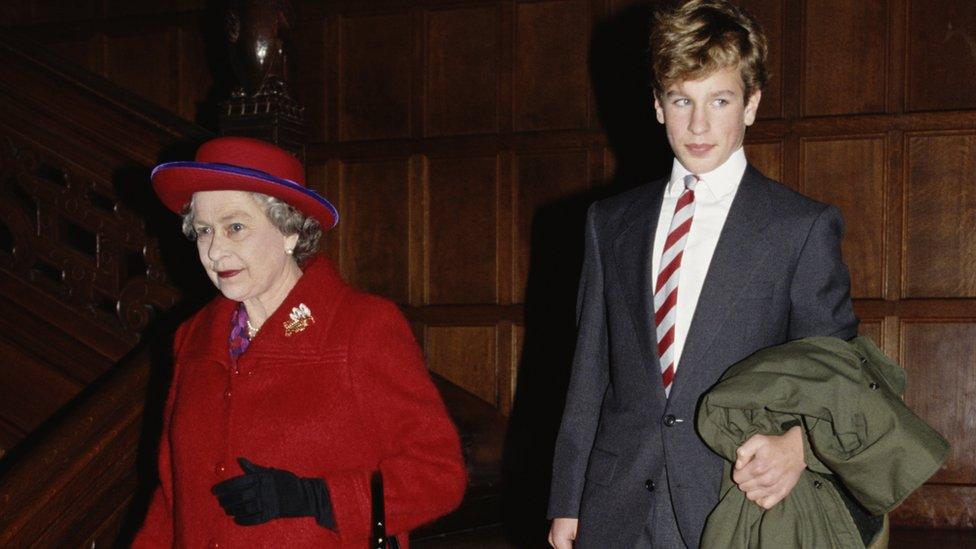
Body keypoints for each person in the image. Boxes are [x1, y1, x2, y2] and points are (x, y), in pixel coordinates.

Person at [546, 1, 858, 547]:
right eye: (681, 100)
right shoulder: (610, 223)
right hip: (616, 502)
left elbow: (836, 371)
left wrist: (799, 445)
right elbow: (589, 371)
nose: (698, 124)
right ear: (659, 106)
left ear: (752, 104)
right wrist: (567, 500)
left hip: (736, 499)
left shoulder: (799, 226)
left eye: (720, 100)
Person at [133, 136, 466, 547]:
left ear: (289, 231)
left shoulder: (360, 327)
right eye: (203, 231)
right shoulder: (194, 338)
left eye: (235, 227)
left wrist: (318, 498)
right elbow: (171, 497)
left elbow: (439, 474)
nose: (216, 251)